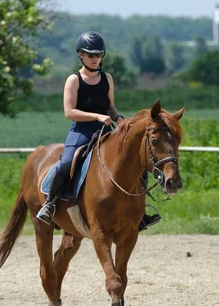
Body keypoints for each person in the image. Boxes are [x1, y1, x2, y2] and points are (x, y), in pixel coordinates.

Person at [36, 31, 161, 231]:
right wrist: (96, 116)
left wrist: (119, 119)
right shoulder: (74, 80)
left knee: (135, 160)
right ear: (80, 55)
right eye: (90, 55)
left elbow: (110, 106)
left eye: (98, 55)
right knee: (67, 162)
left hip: (106, 130)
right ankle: (50, 204)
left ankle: (140, 213)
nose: (95, 59)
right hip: (81, 131)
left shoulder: (107, 79)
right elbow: (69, 112)